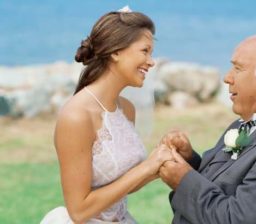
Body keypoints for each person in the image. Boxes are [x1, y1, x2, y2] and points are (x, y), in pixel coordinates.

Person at [41, 7, 173, 224]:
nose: (152, 61)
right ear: (116, 52)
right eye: (145, 51)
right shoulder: (77, 116)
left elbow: (122, 183)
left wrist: (161, 162)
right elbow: (79, 211)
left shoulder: (127, 109)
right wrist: (147, 167)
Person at [159, 34, 256, 224]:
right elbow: (227, 184)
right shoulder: (243, 124)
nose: (227, 78)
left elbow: (240, 220)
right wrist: (190, 162)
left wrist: (183, 181)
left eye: (238, 68)